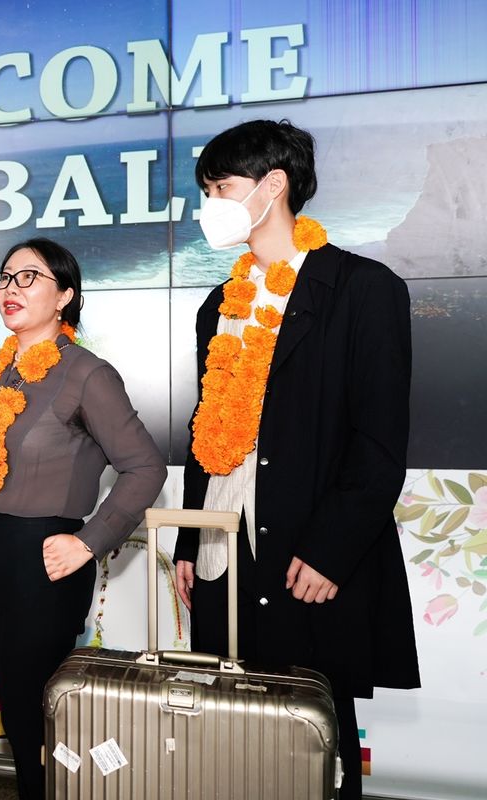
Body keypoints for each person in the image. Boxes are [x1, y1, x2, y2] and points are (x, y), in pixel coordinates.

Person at [173, 119, 420, 800]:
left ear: (273, 185)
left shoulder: (361, 289)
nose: (209, 204)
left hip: (308, 557)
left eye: (220, 187)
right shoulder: (214, 307)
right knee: (228, 738)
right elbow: (206, 434)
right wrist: (192, 538)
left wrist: (332, 549)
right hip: (225, 549)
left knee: (312, 738)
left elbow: (378, 444)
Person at [0, 237, 166, 799]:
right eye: (5, 278)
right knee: (18, 707)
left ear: (65, 295)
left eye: (29, 278)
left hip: (43, 557)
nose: (11, 289)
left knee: (45, 708)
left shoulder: (87, 373)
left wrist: (89, 542)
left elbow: (144, 467)